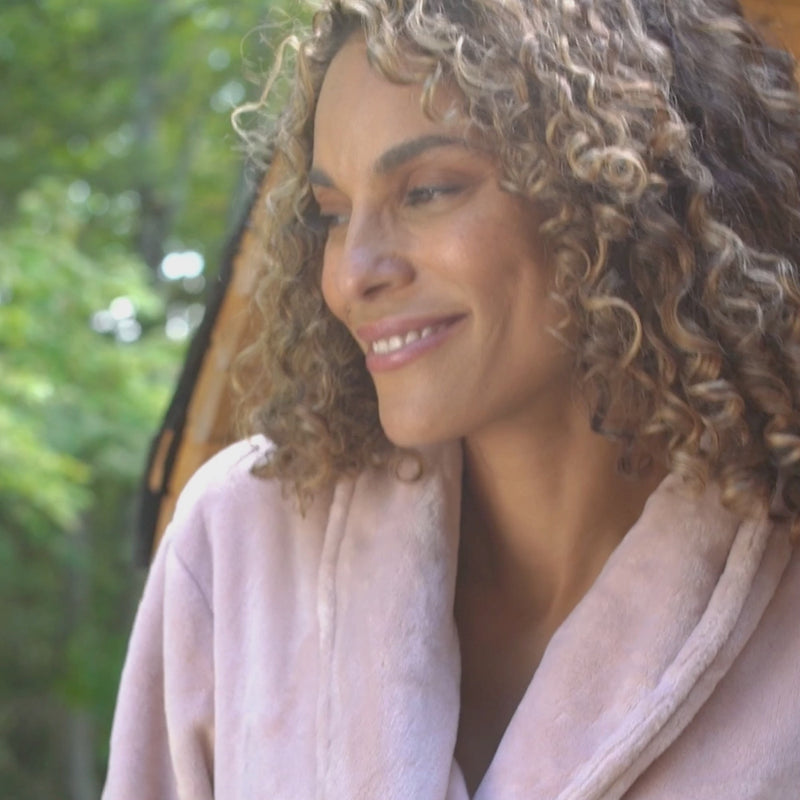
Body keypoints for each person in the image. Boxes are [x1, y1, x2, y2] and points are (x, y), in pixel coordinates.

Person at [102, 0, 800, 797]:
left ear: (620, 193)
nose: (352, 273)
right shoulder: (240, 544)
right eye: (332, 215)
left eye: (427, 191)